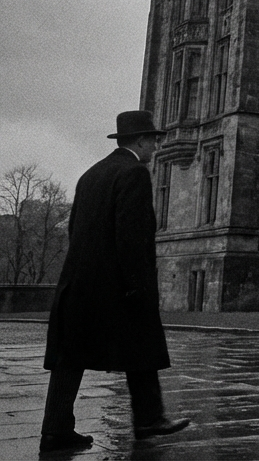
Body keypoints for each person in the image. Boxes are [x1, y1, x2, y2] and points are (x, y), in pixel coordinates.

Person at [40, 111, 190, 453]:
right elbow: (133, 236)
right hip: (116, 284)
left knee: (70, 355)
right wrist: (139, 286)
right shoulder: (134, 172)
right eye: (153, 139)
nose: (156, 144)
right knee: (143, 343)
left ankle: (55, 428)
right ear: (139, 141)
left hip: (78, 282)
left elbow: (75, 228)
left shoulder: (91, 174)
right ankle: (149, 418)